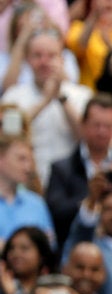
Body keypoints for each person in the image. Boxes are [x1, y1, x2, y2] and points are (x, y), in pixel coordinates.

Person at [45, 94, 112, 251]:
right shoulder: (62, 169)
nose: (102, 132)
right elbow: (56, 212)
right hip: (75, 250)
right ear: (83, 124)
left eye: (108, 126)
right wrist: (91, 199)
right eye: (96, 125)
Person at [0, 29, 91, 187]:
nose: (44, 62)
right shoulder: (13, 96)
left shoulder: (81, 95)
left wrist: (61, 99)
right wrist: (44, 102)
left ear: (62, 59)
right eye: (38, 55)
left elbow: (89, 139)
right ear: (28, 60)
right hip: (27, 181)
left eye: (51, 55)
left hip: (69, 184)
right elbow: (8, 134)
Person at [0, 135, 54, 244]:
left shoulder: (36, 203)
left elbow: (49, 247)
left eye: (30, 160)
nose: (28, 167)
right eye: (21, 159)